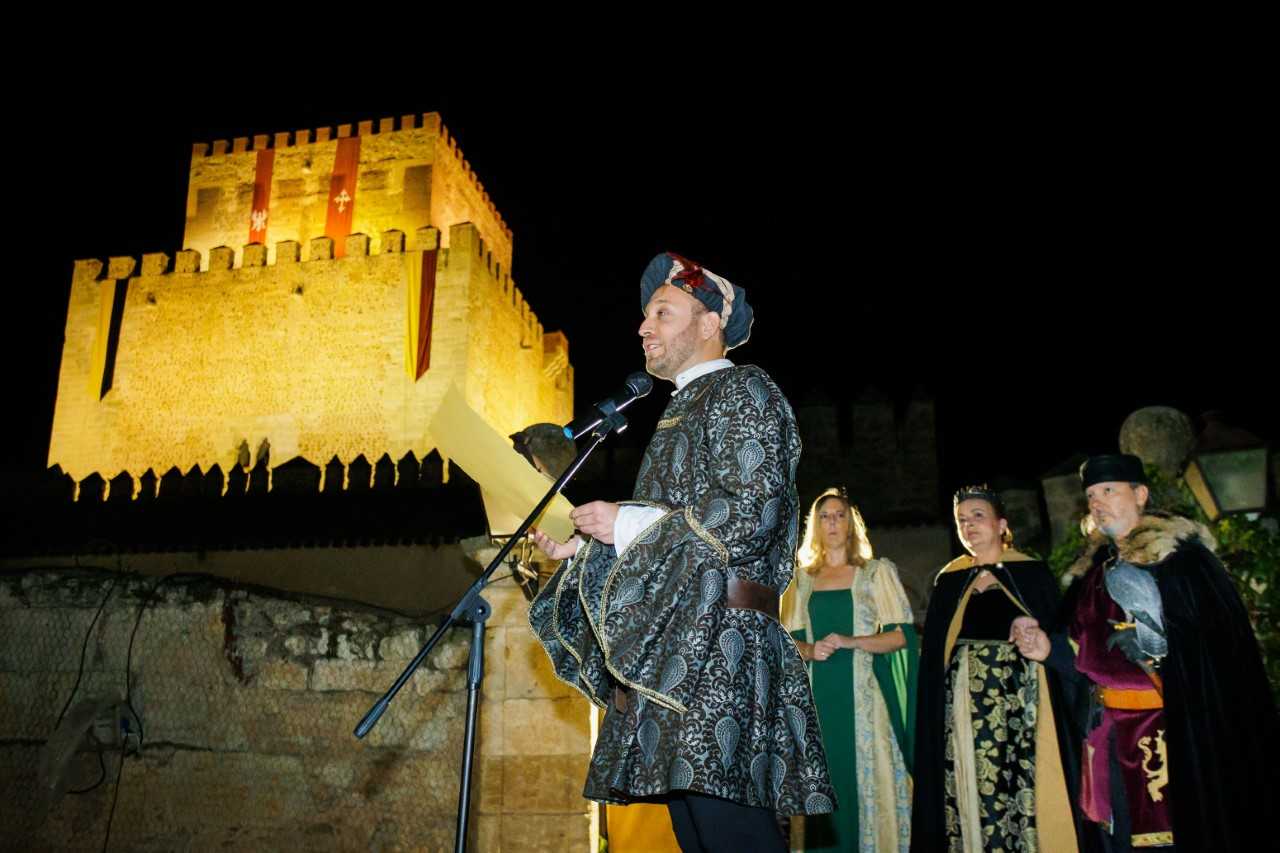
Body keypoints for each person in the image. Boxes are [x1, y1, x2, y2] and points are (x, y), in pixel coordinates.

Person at [527, 251, 834, 852]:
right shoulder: (675, 411)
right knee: (699, 839)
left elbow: (749, 513)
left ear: (709, 321)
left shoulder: (744, 389)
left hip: (722, 653)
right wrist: (589, 551)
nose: (644, 328)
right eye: (646, 317)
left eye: (662, 313)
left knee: (734, 838)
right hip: (679, 657)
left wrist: (626, 523)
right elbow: (673, 541)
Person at [1012, 454, 1279, 851]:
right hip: (1108, 735)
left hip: (1173, 735)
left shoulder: (1183, 564)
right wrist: (1047, 648)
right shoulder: (1094, 573)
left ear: (1140, 494)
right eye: (1091, 495)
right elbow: (1082, 653)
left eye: (1108, 491)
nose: (1098, 502)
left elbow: (1212, 658)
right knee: (1118, 841)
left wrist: (1156, 650)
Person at [912, 485, 1079, 853]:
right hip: (961, 704)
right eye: (961, 520)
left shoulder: (1031, 573)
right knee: (968, 778)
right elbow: (937, 653)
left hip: (1018, 699)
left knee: (1015, 779)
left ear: (1001, 524)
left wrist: (1030, 628)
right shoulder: (951, 580)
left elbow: (1056, 634)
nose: (969, 525)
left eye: (977, 517)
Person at [781, 488, 917, 852]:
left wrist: (850, 640)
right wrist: (811, 649)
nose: (833, 522)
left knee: (866, 785)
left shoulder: (875, 573)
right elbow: (785, 642)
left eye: (840, 515)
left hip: (866, 702)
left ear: (851, 523)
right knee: (824, 786)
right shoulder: (800, 581)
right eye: (825, 516)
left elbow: (902, 636)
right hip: (818, 702)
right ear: (815, 526)